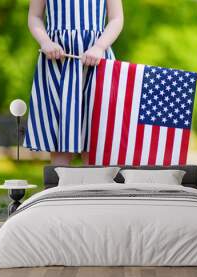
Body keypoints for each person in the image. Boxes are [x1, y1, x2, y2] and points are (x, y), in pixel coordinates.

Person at [24, 0, 124, 165]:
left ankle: (93, 189)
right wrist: (46, 42)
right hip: (57, 60)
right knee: (60, 135)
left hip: (96, 59)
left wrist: (100, 46)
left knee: (94, 133)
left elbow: (116, 18)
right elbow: (34, 16)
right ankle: (59, 187)